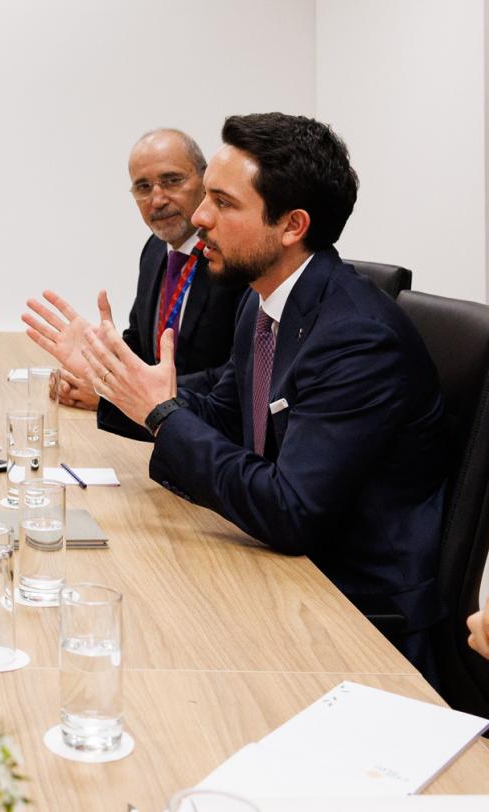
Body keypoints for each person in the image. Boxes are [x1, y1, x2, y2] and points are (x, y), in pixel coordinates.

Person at [24, 112, 447, 668]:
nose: (199, 217)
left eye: (222, 203)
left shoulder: (356, 338)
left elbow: (290, 510)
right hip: (287, 572)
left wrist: (160, 413)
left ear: (292, 226)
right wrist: (117, 382)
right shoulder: (264, 300)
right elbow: (226, 415)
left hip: (353, 616)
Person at [58, 129, 245, 440]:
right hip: (159, 438)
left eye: (172, 180)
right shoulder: (155, 250)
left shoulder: (233, 260)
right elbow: (143, 343)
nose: (157, 199)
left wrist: (119, 396)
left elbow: (231, 377)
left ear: (205, 180)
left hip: (213, 438)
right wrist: (98, 363)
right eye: (143, 187)